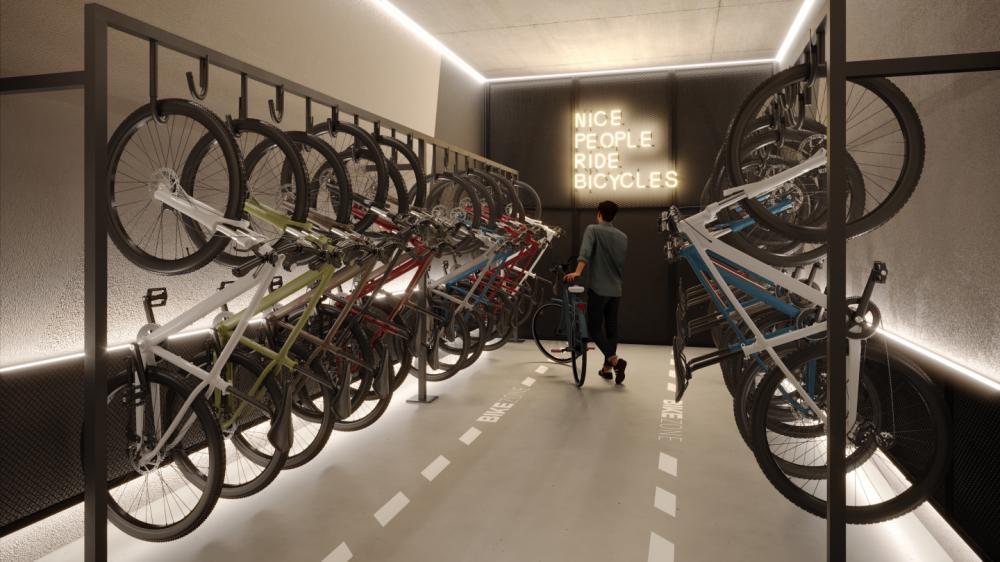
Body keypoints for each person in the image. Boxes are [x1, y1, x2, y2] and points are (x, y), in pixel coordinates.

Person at [564, 200, 628, 384]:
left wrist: (577, 272)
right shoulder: (623, 237)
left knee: (593, 328)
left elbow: (585, 253)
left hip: (599, 289)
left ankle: (615, 361)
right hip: (616, 289)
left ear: (599, 213)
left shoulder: (592, 229)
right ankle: (607, 370)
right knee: (612, 330)